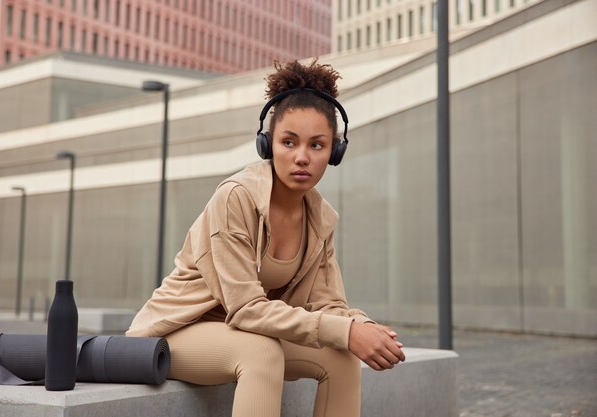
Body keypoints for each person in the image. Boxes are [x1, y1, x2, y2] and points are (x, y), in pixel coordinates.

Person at [126, 59, 406, 417]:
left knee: (340, 357)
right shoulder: (235, 197)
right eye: (289, 142)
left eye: (317, 146)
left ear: (334, 152)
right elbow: (246, 308)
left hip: (246, 331)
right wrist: (344, 329)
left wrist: (358, 326)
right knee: (261, 352)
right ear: (267, 144)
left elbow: (328, 305)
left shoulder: (320, 218)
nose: (301, 157)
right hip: (178, 334)